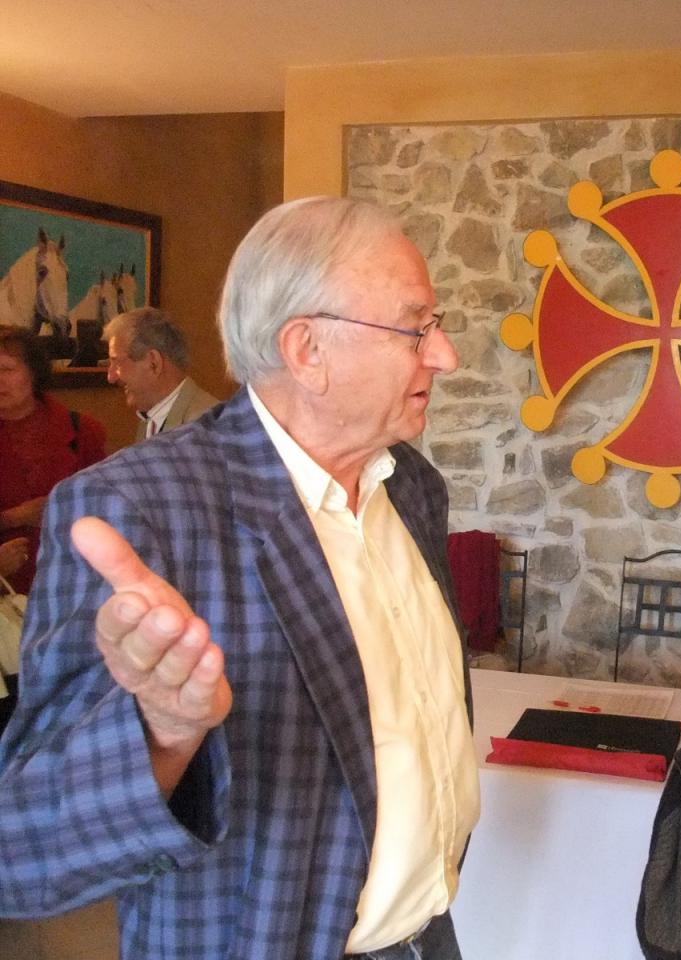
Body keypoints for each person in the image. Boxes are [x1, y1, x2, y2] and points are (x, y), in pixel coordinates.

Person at [0, 196, 477, 960]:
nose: (444, 355)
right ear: (306, 349)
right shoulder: (140, 507)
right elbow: (20, 845)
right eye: (416, 327)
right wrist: (162, 733)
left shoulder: (411, 486)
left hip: (426, 938)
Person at [0, 325, 106, 594]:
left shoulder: (82, 431)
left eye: (6, 370)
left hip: (71, 588)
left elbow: (105, 511)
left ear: (34, 372)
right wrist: (13, 518)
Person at [104, 306, 220, 440]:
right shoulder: (151, 418)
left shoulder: (204, 429)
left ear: (154, 363)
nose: (110, 377)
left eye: (117, 363)